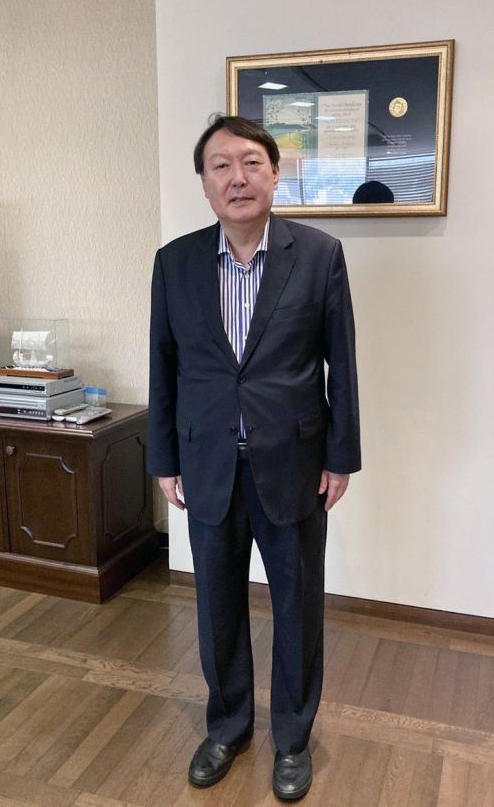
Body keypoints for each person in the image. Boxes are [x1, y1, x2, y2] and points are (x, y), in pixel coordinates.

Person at [147, 115, 361, 801]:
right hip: (207, 462)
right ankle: (229, 726)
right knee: (216, 605)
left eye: (250, 163)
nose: (236, 178)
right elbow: (163, 365)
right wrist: (164, 458)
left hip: (293, 463)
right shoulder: (174, 262)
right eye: (221, 165)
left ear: (274, 174)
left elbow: (341, 364)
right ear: (204, 182)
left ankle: (292, 737)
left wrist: (341, 458)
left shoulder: (319, 255)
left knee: (297, 605)